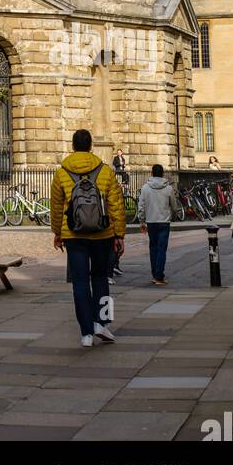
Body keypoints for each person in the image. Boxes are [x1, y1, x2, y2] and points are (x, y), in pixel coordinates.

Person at [51, 130, 126, 348]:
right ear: (91, 146)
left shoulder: (62, 172)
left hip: (74, 235)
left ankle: (85, 332)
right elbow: (116, 205)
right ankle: (102, 323)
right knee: (101, 278)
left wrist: (57, 232)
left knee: (80, 283)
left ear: (73, 146)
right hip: (102, 234)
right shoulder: (104, 170)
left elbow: (56, 206)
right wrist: (119, 234)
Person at [137, 164, 179, 285]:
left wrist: (141, 220)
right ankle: (159, 275)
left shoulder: (145, 188)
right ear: (162, 174)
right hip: (164, 222)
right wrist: (172, 215)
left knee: (153, 248)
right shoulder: (168, 188)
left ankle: (155, 274)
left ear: (151, 173)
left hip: (151, 221)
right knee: (161, 249)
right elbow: (174, 205)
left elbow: (141, 206)